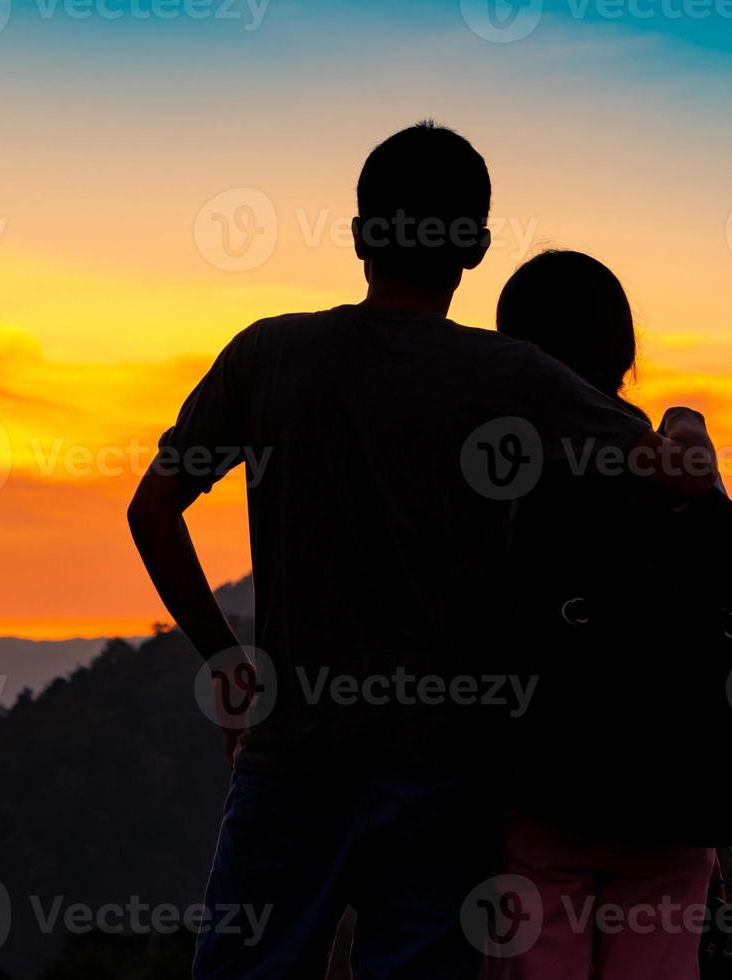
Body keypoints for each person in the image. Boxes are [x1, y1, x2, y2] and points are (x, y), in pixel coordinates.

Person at [127, 122, 720, 979]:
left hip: (290, 764)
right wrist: (687, 417)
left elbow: (153, 511)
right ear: (475, 247)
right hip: (442, 777)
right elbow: (683, 480)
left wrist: (226, 660)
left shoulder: (268, 355)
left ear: (361, 235)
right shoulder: (506, 375)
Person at [483, 250, 726, 980]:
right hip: (676, 812)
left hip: (541, 802)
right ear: (624, 353)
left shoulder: (506, 476)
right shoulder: (683, 476)